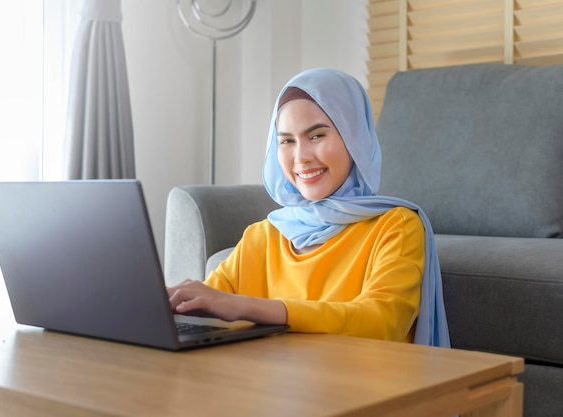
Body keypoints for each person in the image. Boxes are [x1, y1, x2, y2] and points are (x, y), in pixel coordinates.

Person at [168, 68, 450, 347]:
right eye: (287, 141)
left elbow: (382, 321)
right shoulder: (262, 236)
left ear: (354, 139)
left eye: (316, 136)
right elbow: (209, 302)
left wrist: (250, 307)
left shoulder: (396, 226)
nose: (300, 157)